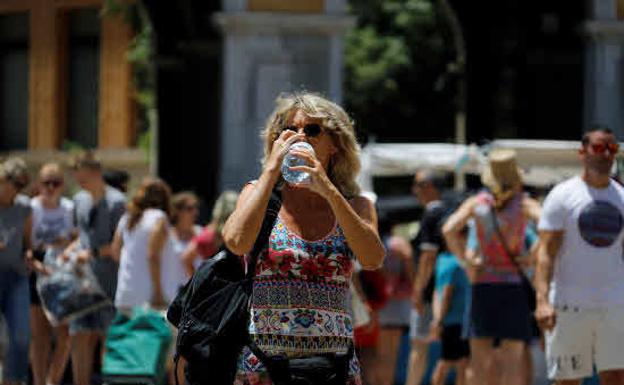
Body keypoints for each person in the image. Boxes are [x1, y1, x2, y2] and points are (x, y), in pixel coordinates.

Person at [222, 92, 385, 385]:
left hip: (332, 366)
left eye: (311, 130)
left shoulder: (355, 204)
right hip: (265, 365)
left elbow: (373, 259)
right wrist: (271, 171)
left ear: (334, 144)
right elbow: (235, 242)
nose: (299, 136)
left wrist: (328, 191)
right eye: (290, 129)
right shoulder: (259, 195)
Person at [443, 149, 541, 385]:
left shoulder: (477, 203)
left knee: (479, 361)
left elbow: (449, 229)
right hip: (513, 285)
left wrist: (466, 261)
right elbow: (548, 226)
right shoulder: (524, 204)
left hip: (482, 283)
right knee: (512, 360)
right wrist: (530, 256)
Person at [535, 127, 624, 385]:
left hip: (615, 305)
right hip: (569, 305)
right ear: (582, 153)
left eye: (612, 148)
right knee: (568, 381)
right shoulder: (562, 195)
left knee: (616, 378)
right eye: (598, 147)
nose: (605, 154)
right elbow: (545, 254)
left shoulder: (621, 198)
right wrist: (542, 301)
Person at [63, 151, 126, 385]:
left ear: (96, 173)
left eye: (83, 178)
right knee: (79, 337)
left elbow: (121, 245)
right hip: (83, 281)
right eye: (77, 178)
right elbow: (82, 236)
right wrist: (70, 251)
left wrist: (91, 253)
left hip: (109, 282)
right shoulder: (79, 200)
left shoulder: (117, 202)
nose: (79, 183)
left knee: (107, 339)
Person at [29, 163, 75, 385]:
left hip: (62, 270)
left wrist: (66, 244)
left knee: (65, 335)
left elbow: (77, 238)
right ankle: (39, 381)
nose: (50, 188)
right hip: (36, 268)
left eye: (55, 183)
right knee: (40, 335)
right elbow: (25, 242)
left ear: (62, 186)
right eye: (46, 183)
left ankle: (52, 381)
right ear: (39, 184)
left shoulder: (69, 207)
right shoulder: (31, 207)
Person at [405, 170, 450, 385]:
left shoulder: (431, 214)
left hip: (430, 291)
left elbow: (427, 257)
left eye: (418, 184)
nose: (414, 190)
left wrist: (418, 290)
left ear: (431, 187)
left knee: (418, 345)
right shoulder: (450, 211)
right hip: (449, 288)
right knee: (454, 349)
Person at [111, 177, 172, 312]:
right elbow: (152, 255)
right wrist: (158, 292)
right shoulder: (159, 217)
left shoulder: (127, 218)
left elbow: (115, 253)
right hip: (148, 295)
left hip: (125, 292)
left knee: (127, 333)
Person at [0, 162, 33, 385]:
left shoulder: (24, 207)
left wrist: (29, 255)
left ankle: (13, 381)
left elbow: (27, 243)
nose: (20, 189)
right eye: (17, 184)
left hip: (17, 277)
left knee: (21, 336)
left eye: (23, 185)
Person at [371, 219, 414, 385]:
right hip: (395, 304)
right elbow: (410, 260)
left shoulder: (372, 243)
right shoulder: (399, 243)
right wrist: (412, 284)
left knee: (377, 353)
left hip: (376, 303)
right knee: (391, 354)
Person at [430, 249, 470, 385]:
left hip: (452, 321)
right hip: (457, 321)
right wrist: (439, 321)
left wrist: (437, 319)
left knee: (454, 362)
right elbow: (447, 292)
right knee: (453, 362)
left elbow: (437, 290)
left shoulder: (442, 259)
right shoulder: (457, 263)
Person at [180, 190, 239, 277]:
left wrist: (197, 281)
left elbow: (186, 258)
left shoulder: (208, 233)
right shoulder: (239, 232)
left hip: (213, 284)